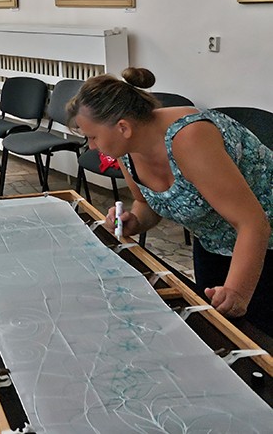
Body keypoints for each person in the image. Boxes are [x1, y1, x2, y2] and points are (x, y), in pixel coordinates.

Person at [67, 68, 273, 335]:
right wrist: (134, 221)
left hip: (262, 241)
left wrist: (237, 293)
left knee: (259, 336)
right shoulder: (126, 148)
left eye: (92, 137)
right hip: (213, 240)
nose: (91, 146)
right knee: (214, 329)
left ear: (123, 127)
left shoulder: (189, 137)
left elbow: (253, 224)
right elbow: (145, 204)